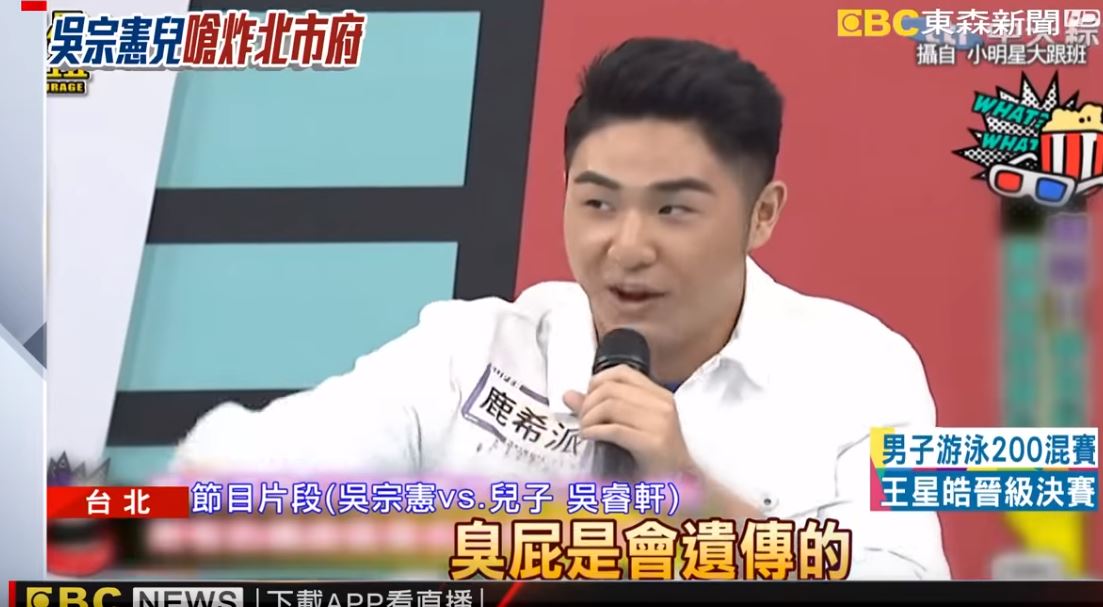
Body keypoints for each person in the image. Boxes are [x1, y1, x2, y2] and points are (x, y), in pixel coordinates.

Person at [174, 37, 950, 579]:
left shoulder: (862, 368)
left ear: (762, 214)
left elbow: (902, 575)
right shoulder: (473, 349)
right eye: (597, 203)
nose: (626, 247)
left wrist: (696, 498)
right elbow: (233, 475)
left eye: (673, 210)